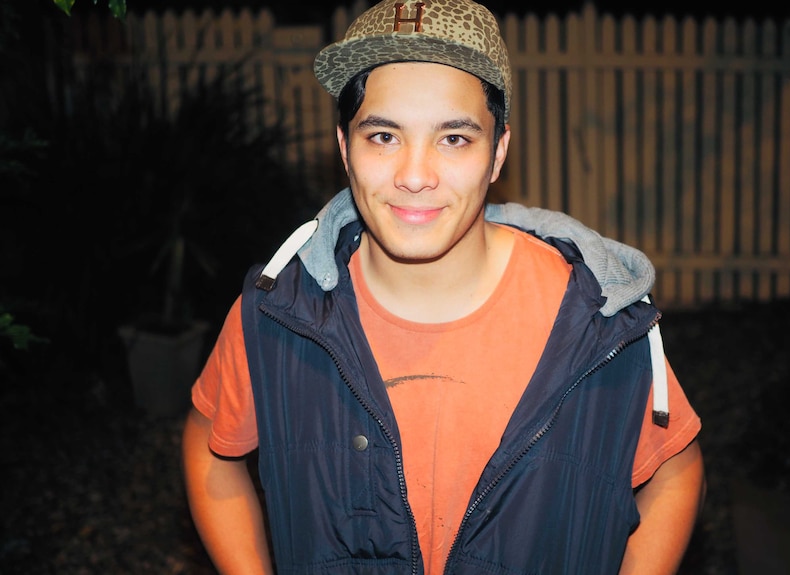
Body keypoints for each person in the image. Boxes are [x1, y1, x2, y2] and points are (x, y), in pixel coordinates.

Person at [181, 0, 706, 573]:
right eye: (383, 136)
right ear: (343, 148)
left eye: (454, 139)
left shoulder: (595, 318)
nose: (413, 175)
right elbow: (210, 443)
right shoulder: (281, 310)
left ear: (498, 150)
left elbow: (675, 469)